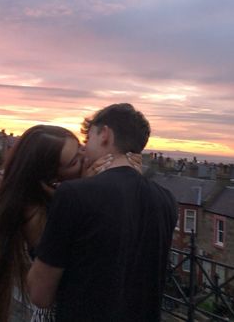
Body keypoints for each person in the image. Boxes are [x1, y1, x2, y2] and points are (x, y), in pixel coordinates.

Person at [28, 103, 178, 322]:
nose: (85, 150)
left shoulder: (74, 194)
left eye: (88, 140)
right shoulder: (167, 200)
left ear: (105, 135)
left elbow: (40, 295)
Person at [0, 124, 117, 322]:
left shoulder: (52, 197)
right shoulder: (35, 214)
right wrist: (84, 190)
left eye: (81, 149)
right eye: (73, 163)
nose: (85, 159)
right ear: (51, 179)